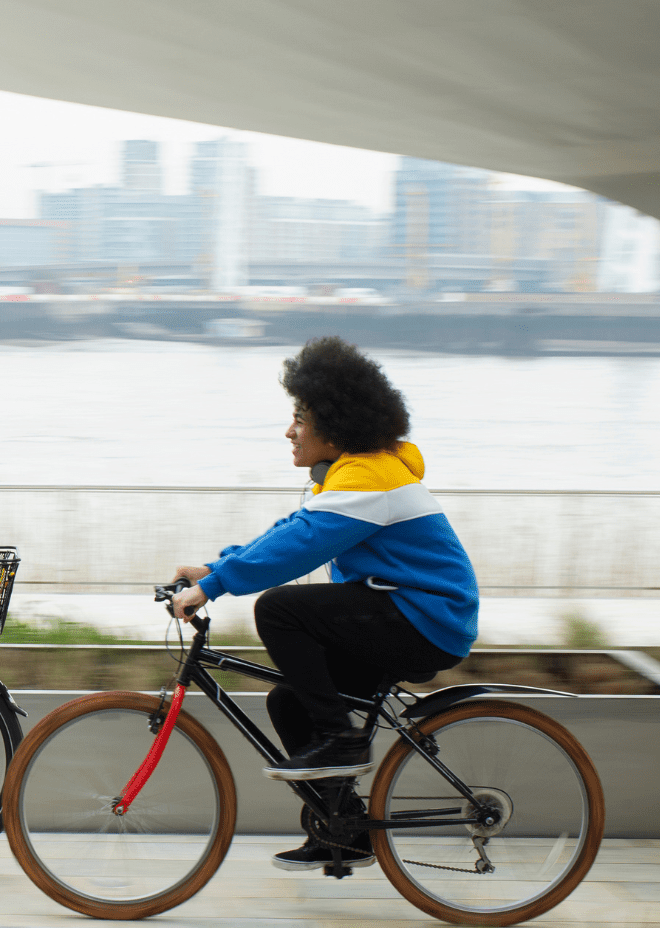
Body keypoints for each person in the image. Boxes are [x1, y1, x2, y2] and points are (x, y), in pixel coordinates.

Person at [166, 336, 477, 871]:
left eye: (301, 418)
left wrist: (215, 588)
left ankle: (340, 740)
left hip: (426, 619)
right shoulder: (349, 476)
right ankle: (346, 831)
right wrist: (216, 570)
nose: (289, 431)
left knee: (280, 609)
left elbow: (300, 547)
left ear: (336, 423)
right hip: (400, 612)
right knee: (289, 700)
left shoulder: (370, 478)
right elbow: (293, 533)